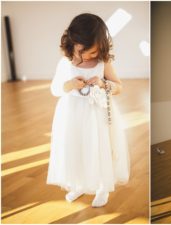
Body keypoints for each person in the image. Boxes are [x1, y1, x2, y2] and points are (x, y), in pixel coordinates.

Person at [47, 13, 130, 207]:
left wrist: (103, 84)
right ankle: (80, 183)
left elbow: (119, 86)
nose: (93, 56)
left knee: (98, 147)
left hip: (97, 114)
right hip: (71, 114)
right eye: (89, 52)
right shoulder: (65, 63)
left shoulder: (103, 62)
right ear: (75, 43)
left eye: (96, 52)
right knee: (76, 147)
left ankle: (102, 185)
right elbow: (55, 89)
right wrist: (70, 85)